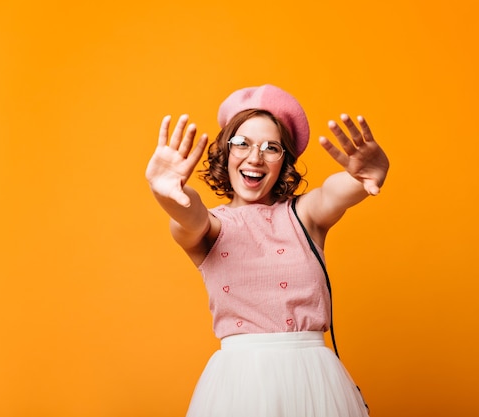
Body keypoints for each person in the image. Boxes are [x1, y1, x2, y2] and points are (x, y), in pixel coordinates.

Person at [145, 84, 389, 417]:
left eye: (270, 147)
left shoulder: (304, 215)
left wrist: (367, 174)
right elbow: (188, 215)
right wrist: (166, 193)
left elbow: (335, 191)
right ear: (226, 152)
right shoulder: (212, 227)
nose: (255, 157)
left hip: (314, 382)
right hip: (240, 386)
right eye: (241, 143)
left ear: (284, 160)